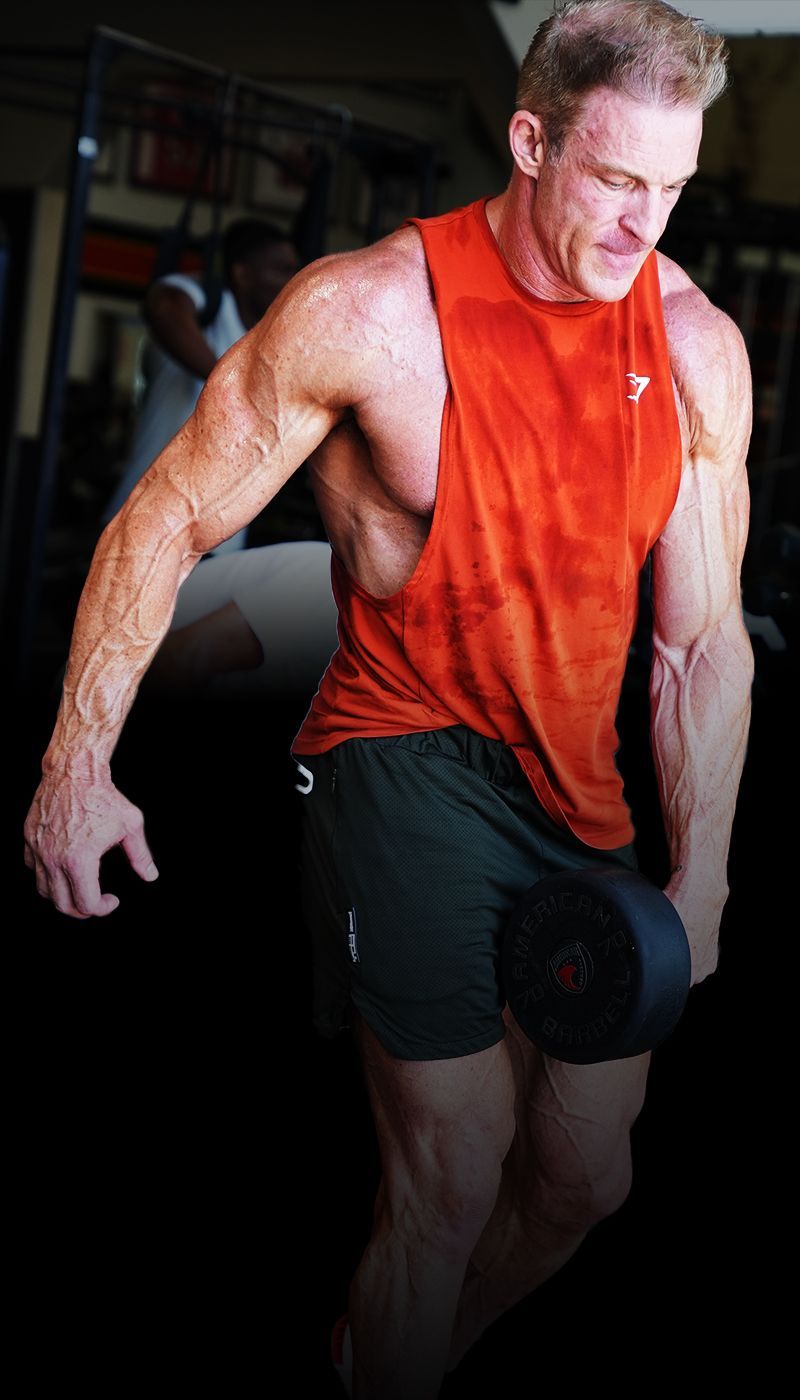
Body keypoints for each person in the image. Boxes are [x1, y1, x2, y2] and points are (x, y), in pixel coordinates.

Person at [24, 2, 754, 1396]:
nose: (641, 225)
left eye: (670, 188)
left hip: (573, 783)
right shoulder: (368, 313)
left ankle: (385, 1363)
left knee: (584, 1178)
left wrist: (705, 877)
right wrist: (77, 764)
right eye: (613, 181)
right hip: (397, 744)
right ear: (531, 142)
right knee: (457, 1170)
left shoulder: (696, 347)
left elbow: (701, 646)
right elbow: (162, 523)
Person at [101, 217, 300, 551]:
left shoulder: (274, 339)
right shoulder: (208, 307)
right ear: (242, 273)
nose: (291, 281)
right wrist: (230, 382)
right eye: (279, 269)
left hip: (218, 545)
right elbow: (164, 307)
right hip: (145, 527)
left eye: (294, 270)